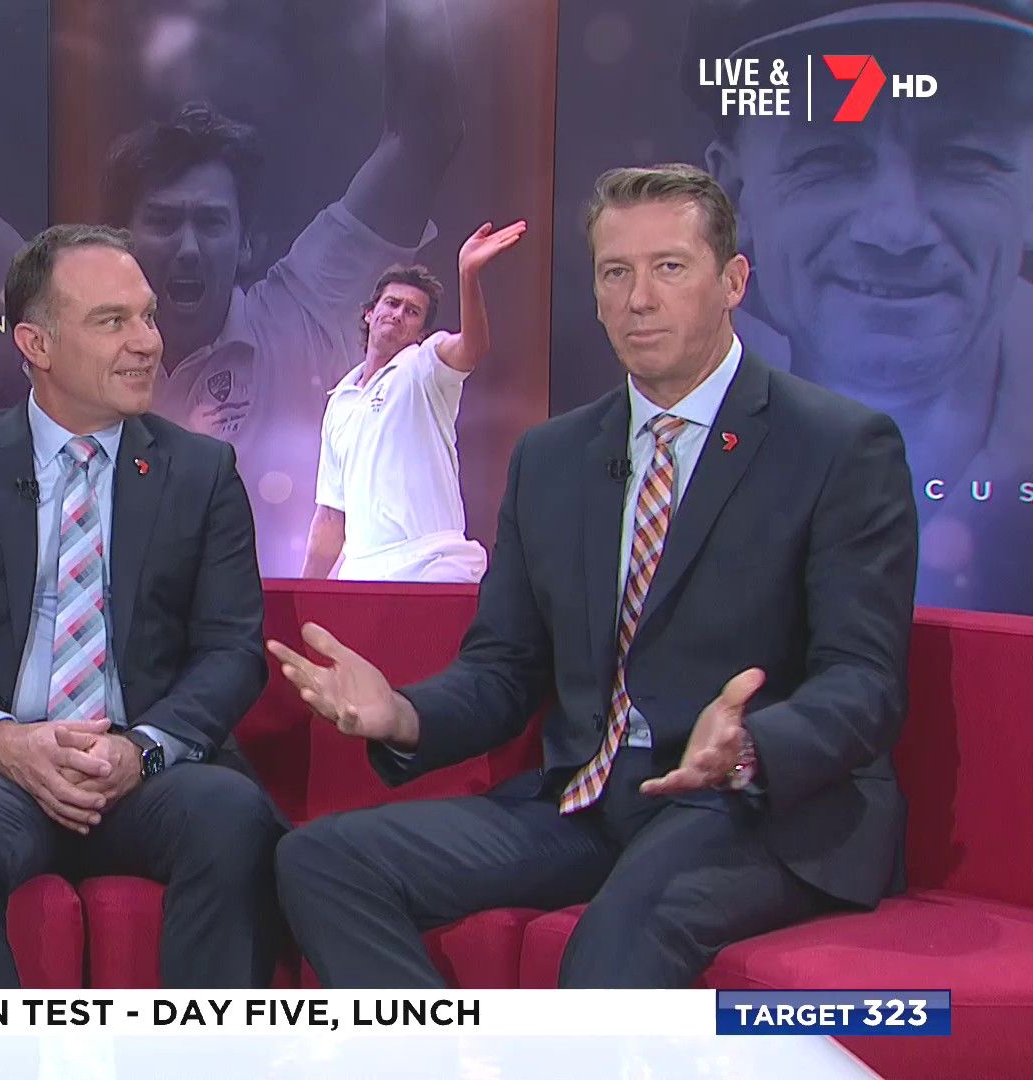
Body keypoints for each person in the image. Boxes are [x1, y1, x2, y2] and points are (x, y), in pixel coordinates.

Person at [270, 164, 918, 988]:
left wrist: (753, 745)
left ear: (732, 282)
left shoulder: (836, 445)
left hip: (754, 808)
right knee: (321, 861)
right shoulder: (553, 457)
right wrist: (403, 714)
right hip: (587, 801)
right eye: (616, 273)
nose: (638, 298)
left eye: (669, 268)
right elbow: (505, 668)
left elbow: (864, 681)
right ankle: (439, 1054)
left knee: (615, 943)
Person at [0, 0, 464, 575]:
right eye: (163, 222)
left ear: (246, 242)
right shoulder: (58, 327)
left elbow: (423, 138)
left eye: (211, 223)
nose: (188, 248)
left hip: (294, 647)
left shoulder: (303, 316)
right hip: (113, 648)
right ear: (122, 245)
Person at [0, 224, 283, 988]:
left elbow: (232, 651)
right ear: (36, 344)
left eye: (147, 316)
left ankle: (203, 1051)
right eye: (112, 321)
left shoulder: (202, 472)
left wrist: (141, 750)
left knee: (232, 817)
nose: (147, 342)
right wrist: (1, 740)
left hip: (146, 769)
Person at [685, 0, 1033, 613]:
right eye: (829, 160)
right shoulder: (660, 436)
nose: (896, 232)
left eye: (963, 160)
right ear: (733, 196)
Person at [304, 219, 527, 582]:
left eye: (412, 311)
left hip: (433, 563)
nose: (398, 314)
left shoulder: (425, 365)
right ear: (369, 313)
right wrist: (303, 597)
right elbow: (331, 516)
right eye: (392, 303)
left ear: (421, 332)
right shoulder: (339, 402)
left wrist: (468, 275)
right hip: (362, 573)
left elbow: (471, 347)